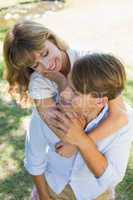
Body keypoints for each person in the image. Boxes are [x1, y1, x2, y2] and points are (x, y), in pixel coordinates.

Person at [3, 20, 128, 199]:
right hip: (57, 181)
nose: (46, 66)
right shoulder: (39, 83)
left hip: (92, 184)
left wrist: (77, 144)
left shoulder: (92, 62)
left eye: (45, 53)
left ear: (52, 39)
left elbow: (120, 117)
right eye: (35, 65)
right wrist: (61, 82)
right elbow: (65, 129)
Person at [28, 53, 133, 200]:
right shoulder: (48, 107)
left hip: (94, 194)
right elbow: (34, 158)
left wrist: (80, 140)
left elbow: (111, 179)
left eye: (75, 92)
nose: (64, 94)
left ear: (99, 102)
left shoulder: (124, 122)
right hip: (52, 189)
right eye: (67, 83)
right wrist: (44, 196)